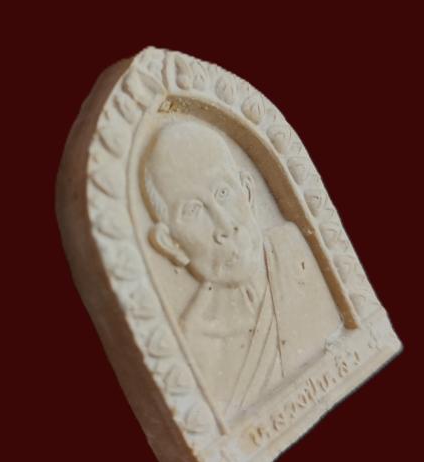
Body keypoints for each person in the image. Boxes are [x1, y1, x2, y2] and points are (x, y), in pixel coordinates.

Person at [142, 120, 341, 419]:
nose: (224, 225)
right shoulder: (195, 348)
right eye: (193, 210)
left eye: (223, 192)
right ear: (171, 243)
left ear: (247, 192)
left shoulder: (296, 252)